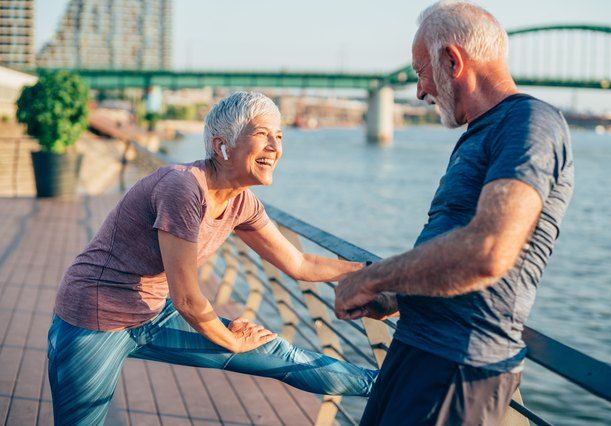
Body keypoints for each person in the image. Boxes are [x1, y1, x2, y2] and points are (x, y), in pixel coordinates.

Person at [48, 91, 377, 425]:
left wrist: (376, 276)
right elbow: (188, 298)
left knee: (276, 353)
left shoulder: (241, 202)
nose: (276, 148)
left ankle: (386, 385)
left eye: (279, 136)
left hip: (152, 313)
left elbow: (300, 264)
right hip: (95, 317)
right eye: (263, 135)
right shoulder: (182, 188)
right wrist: (231, 339)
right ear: (222, 146)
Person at [334, 1, 574, 424]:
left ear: (451, 60)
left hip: (459, 368)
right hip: (418, 350)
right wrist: (393, 295)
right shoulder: (481, 132)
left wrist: (372, 277)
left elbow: (488, 251)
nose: (420, 92)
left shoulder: (530, 123)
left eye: (420, 72)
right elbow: (455, 242)